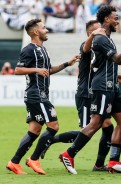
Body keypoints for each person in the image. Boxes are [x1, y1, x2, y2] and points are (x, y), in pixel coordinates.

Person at [59, 5, 121, 174]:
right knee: (96, 122)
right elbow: (118, 59)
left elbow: (104, 64)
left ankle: (114, 161)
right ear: (107, 19)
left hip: (111, 86)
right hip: (102, 87)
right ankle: (68, 154)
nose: (118, 21)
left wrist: (116, 77)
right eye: (115, 18)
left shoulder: (106, 38)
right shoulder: (101, 39)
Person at [6, 18, 80, 175]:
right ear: (35, 32)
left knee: (34, 130)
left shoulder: (43, 50)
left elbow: (48, 70)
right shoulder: (29, 49)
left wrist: (67, 64)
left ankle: (14, 162)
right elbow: (18, 70)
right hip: (36, 95)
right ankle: (34, 159)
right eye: (43, 27)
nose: (46, 30)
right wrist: (36, 70)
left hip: (40, 94)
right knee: (53, 126)